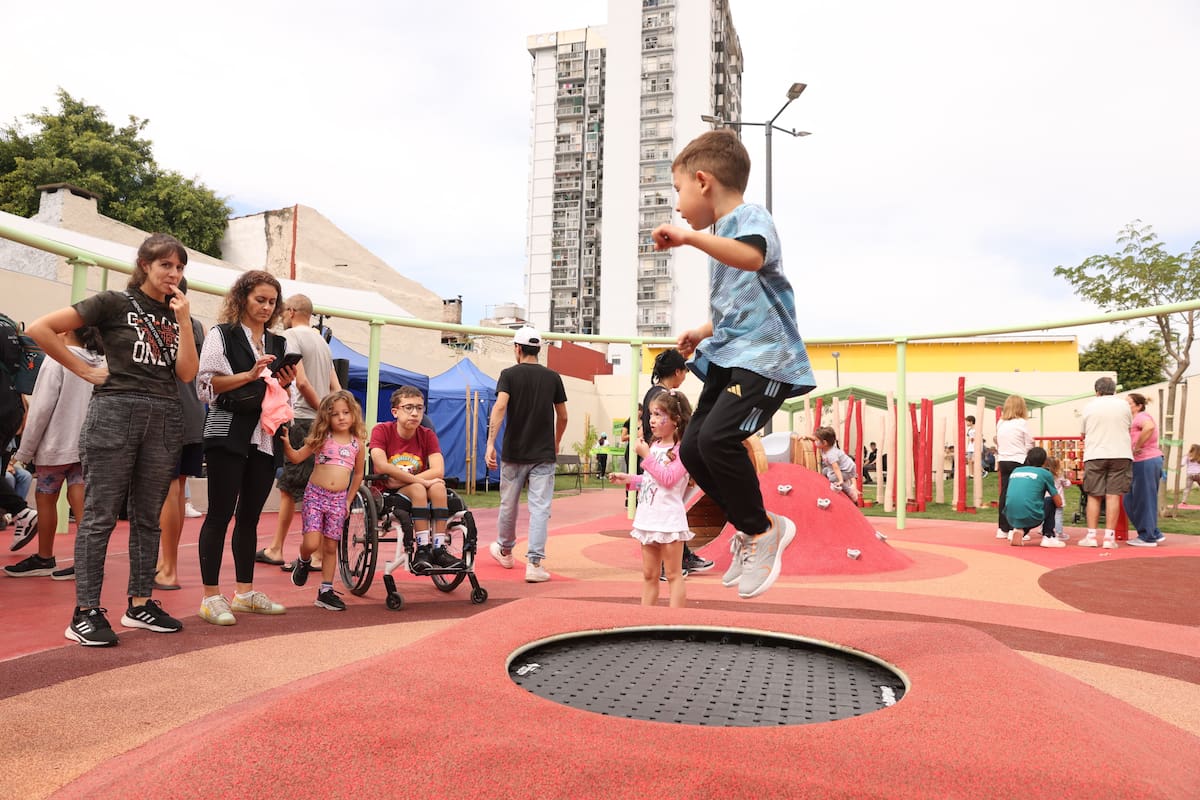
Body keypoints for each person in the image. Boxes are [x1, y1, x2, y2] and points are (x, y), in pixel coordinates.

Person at [652, 129, 816, 600]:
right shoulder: (721, 233)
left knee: (720, 439)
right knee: (693, 449)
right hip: (728, 356)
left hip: (765, 360)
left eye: (678, 190)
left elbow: (752, 258)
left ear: (703, 181)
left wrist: (688, 237)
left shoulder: (749, 218)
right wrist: (703, 331)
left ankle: (763, 530)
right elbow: (739, 301)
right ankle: (752, 526)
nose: (678, 204)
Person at [27, 233, 197, 646]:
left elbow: (188, 374)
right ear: (144, 265)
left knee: (147, 515)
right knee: (100, 515)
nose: (173, 274)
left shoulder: (177, 312)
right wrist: (84, 371)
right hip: (115, 411)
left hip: (163, 415)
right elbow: (40, 329)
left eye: (179, 267)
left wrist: (186, 320)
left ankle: (140, 603)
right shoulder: (113, 302)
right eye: (166, 266)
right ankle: (85, 611)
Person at [195, 270, 298, 625]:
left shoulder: (280, 343)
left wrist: (284, 383)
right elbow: (207, 386)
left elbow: (284, 394)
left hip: (266, 434)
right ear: (242, 298)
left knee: (251, 516)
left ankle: (244, 592)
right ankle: (210, 596)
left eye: (272, 301)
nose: (267, 307)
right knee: (219, 513)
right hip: (227, 429)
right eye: (260, 299)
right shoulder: (220, 335)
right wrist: (250, 375)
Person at [5, 326, 104, 580]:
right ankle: (86, 564)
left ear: (68, 331)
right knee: (81, 500)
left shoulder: (57, 360)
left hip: (56, 441)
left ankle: (45, 556)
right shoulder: (103, 362)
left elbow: (40, 409)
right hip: (90, 443)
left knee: (46, 497)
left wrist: (25, 451)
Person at [258, 293, 341, 570]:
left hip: (305, 418)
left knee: (292, 489)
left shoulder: (291, 337)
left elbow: (302, 382)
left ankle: (285, 550)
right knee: (313, 488)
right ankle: (282, 548)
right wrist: (338, 418)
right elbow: (336, 388)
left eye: (282, 310)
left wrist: (323, 415)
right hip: (318, 419)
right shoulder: (323, 342)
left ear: (292, 311)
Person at [485, 326, 568, 583]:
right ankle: (534, 564)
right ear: (538, 349)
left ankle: (506, 551)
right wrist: (555, 442)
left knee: (509, 504)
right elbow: (563, 416)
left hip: (513, 452)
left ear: (518, 349)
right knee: (540, 508)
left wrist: (490, 444)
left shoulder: (508, 375)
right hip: (543, 454)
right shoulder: (553, 377)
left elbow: (500, 407)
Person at [608, 390, 694, 608]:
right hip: (648, 518)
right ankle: (646, 619)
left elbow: (668, 479)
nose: (651, 420)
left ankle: (676, 623)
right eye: (651, 414)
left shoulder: (682, 450)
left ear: (676, 420)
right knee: (649, 574)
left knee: (673, 574)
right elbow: (650, 480)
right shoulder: (654, 446)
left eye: (658, 414)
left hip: (669, 521)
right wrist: (628, 479)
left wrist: (646, 457)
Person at [283, 390, 365, 610]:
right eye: (335, 413)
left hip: (338, 500)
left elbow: (358, 474)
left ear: (353, 415)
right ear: (326, 417)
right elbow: (297, 457)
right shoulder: (322, 438)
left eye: (345, 412)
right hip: (315, 496)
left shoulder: (357, 444)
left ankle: (326, 590)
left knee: (330, 546)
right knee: (311, 543)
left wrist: (348, 500)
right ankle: (304, 560)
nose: (341, 417)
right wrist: (287, 445)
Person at [369, 385, 461, 572]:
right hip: (390, 492)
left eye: (419, 408)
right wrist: (422, 481)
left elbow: (438, 470)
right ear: (395, 412)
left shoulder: (427, 435)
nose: (414, 413)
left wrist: (405, 479)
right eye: (408, 407)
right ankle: (423, 549)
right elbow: (381, 466)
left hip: (407, 485)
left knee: (438, 488)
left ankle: (438, 548)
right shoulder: (381, 430)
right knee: (420, 488)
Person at [154, 278, 205, 591]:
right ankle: (166, 564)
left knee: (170, 490)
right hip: (193, 413)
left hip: (167, 414)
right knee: (178, 488)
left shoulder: (158, 322)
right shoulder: (195, 325)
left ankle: (168, 567)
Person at [642, 348, 712, 574]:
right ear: (677, 371)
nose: (685, 377)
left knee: (669, 509)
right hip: (660, 457)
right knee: (667, 510)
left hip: (659, 456)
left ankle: (679, 559)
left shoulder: (659, 393)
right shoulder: (662, 396)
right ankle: (673, 564)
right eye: (685, 372)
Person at [1078, 377, 1133, 549]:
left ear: (1097, 391)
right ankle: (1110, 538)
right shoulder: (1124, 405)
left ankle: (1092, 536)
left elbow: (1083, 433)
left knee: (1094, 495)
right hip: (1121, 453)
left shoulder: (1089, 406)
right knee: (1113, 495)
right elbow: (1128, 427)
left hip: (1095, 453)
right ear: (1114, 390)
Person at [1124, 393, 1164, 547]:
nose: (1126, 406)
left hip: (1145, 460)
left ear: (1138, 405)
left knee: (1143, 499)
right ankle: (1153, 532)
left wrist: (1137, 446)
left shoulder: (1141, 416)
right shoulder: (1133, 419)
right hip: (1143, 462)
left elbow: (1150, 427)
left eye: (1129, 403)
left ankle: (1147, 537)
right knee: (1130, 499)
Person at [1002, 447, 1063, 547]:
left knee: (1027, 505)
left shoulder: (1016, 471)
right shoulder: (1045, 473)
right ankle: (1048, 536)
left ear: (1028, 459)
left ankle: (1020, 530)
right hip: (1031, 515)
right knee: (1050, 501)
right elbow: (1058, 502)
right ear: (1044, 461)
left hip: (1010, 515)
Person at [994, 396, 1034, 542]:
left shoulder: (1001, 422)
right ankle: (1015, 528)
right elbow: (1030, 443)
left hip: (1003, 460)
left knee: (1005, 493)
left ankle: (1002, 528)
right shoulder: (1022, 423)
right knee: (1019, 495)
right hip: (1019, 460)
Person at [802, 427, 860, 503]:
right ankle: (840, 482)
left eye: (816, 440)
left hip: (847, 470)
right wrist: (807, 437)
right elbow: (815, 438)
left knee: (832, 478)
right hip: (840, 468)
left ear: (824, 443)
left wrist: (840, 480)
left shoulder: (831, 454)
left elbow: (836, 468)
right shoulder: (825, 446)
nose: (815, 441)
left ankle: (850, 491)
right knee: (824, 471)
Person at [1041, 456, 1071, 543]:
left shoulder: (1044, 475)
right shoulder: (1059, 475)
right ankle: (1058, 532)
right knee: (1058, 516)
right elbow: (1067, 484)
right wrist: (1069, 481)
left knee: (1045, 514)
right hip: (1058, 498)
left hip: (1046, 498)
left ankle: (1043, 529)